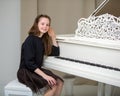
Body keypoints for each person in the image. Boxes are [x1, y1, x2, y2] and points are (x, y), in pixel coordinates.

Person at [17, 14, 64, 96]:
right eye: (42, 24)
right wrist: (45, 76)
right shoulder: (30, 40)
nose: (45, 26)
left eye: (47, 25)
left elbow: (55, 53)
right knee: (53, 84)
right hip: (26, 71)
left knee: (60, 82)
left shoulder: (42, 40)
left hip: (35, 70)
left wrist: (53, 36)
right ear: (37, 24)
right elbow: (29, 63)